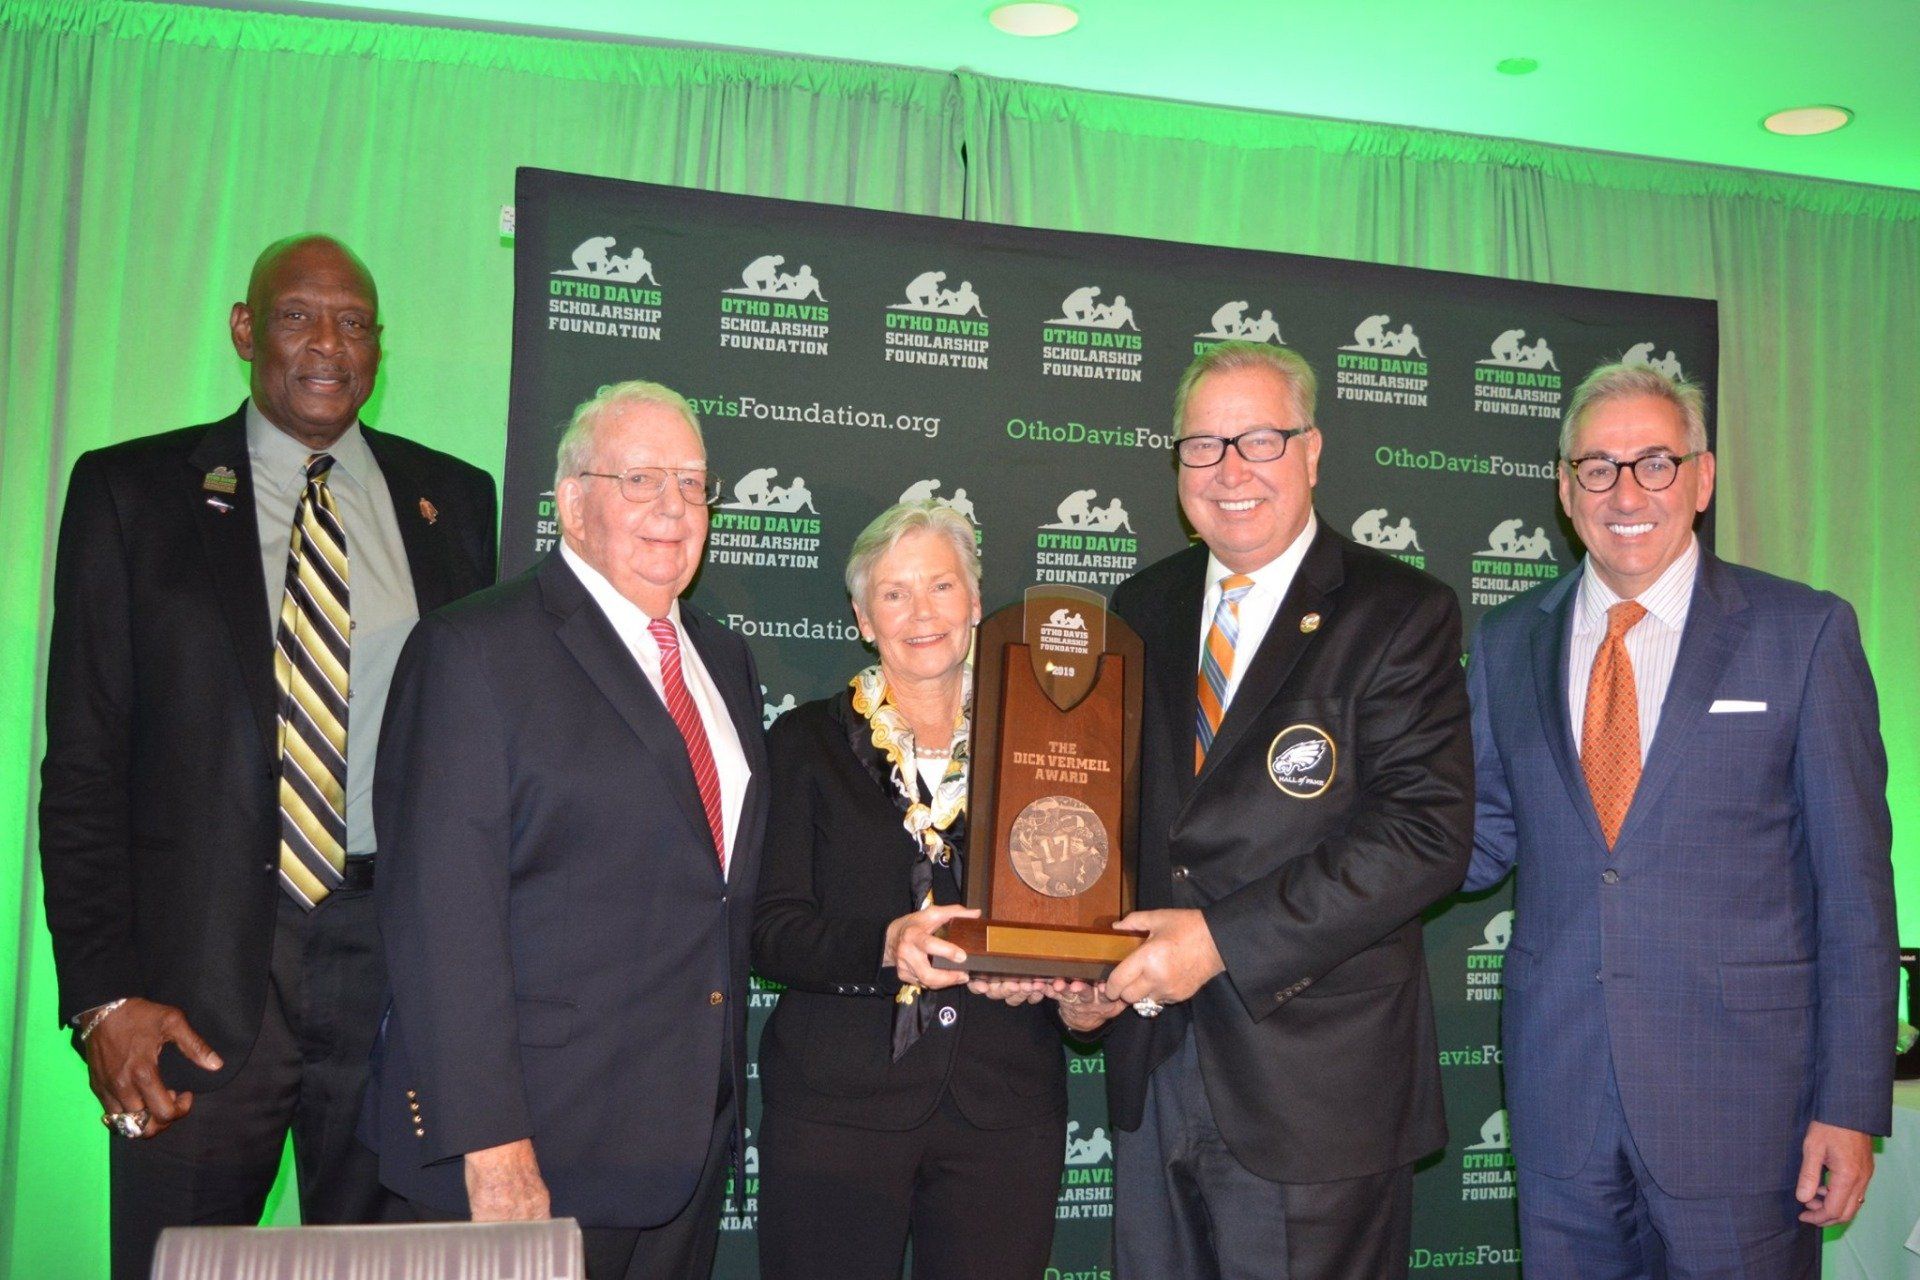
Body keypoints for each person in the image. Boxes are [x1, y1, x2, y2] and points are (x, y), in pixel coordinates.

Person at [37, 234, 497, 1279]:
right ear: (246, 328)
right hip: (193, 995)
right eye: (297, 315)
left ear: (380, 344)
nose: (328, 343)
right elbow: (84, 773)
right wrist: (100, 998)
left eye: (353, 322)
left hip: (392, 979)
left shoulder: (453, 502)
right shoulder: (130, 494)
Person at [1464, 361, 1895, 1277]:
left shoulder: (1803, 634)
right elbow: (1473, 838)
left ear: (1701, 479)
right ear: (1563, 486)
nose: (1627, 492)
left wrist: (1851, 1107)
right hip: (1562, 1103)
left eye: (1655, 463)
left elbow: (1855, 889)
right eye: (1598, 466)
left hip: (1746, 1114)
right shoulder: (1505, 646)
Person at [1077, 340, 1474, 1279]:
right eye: (1203, 447)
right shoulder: (1140, 607)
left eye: (1259, 440)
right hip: (1156, 1065)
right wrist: (1083, 959)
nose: (1230, 471)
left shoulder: (1398, 611)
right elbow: (1116, 817)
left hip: (1317, 1092)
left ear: (1312, 451)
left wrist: (1216, 941)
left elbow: (1426, 835)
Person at [365, 380, 768, 1280]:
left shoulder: (725, 659)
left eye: (694, 484)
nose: (674, 508)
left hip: (684, 1152)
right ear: (572, 502)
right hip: (530, 1155)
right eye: (641, 480)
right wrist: (492, 1145)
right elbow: (439, 917)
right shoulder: (472, 651)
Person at [751, 500, 1085, 1280]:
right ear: (864, 619)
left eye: (941, 586)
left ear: (975, 602)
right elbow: (769, 928)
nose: (921, 612)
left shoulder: (1051, 745)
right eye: (895, 594)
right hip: (838, 1113)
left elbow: (1081, 907)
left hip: (1005, 1109)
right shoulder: (803, 745)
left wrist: (1076, 983)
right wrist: (886, 946)